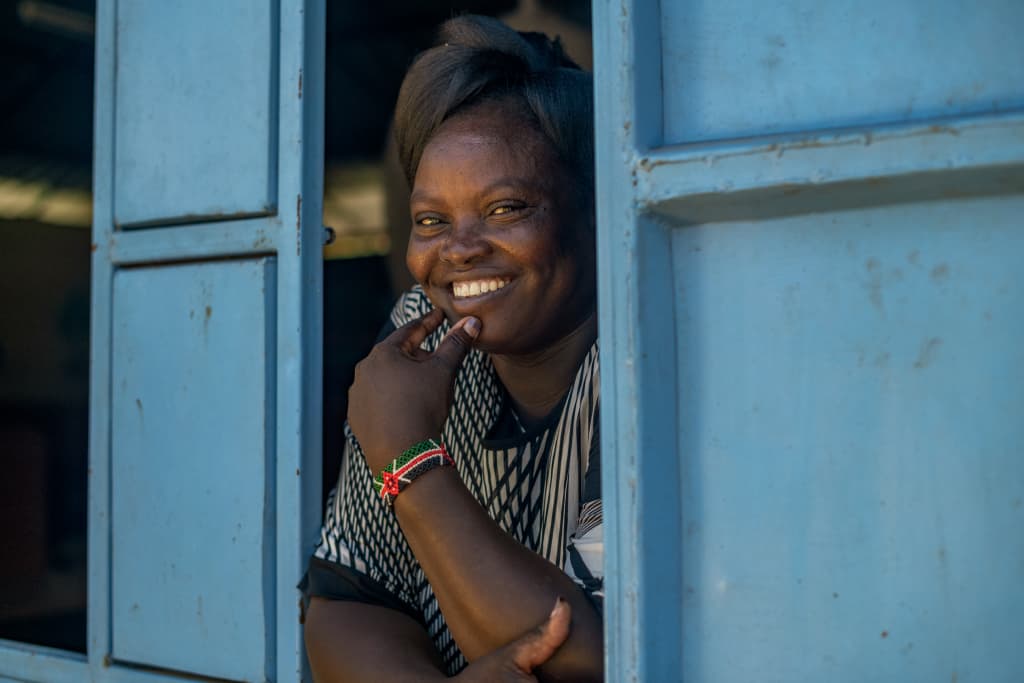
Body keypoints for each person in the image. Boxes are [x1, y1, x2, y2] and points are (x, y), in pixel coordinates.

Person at [302, 15, 603, 682]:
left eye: (506, 208)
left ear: (596, 214)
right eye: (431, 221)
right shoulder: (420, 332)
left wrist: (410, 461)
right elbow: (343, 605)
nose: (459, 250)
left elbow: (592, 663)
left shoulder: (643, 354)